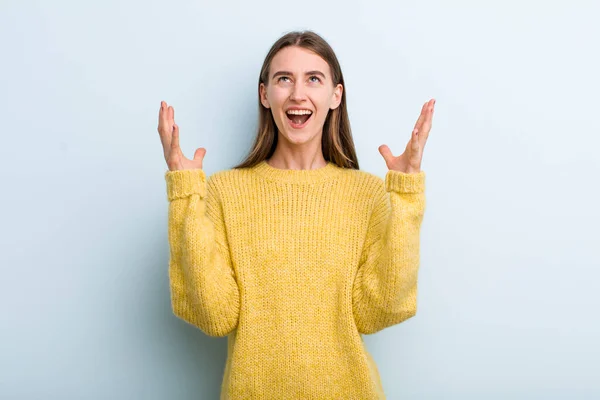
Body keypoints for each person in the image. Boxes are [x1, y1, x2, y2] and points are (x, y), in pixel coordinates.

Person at [157, 30, 435, 399]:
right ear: (265, 94)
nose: (297, 94)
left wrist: (406, 195)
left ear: (336, 95)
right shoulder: (224, 192)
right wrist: (186, 195)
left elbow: (378, 312)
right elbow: (214, 314)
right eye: (283, 79)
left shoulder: (365, 194)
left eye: (313, 79)